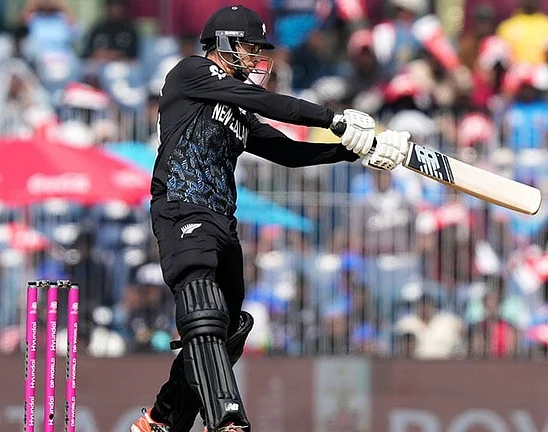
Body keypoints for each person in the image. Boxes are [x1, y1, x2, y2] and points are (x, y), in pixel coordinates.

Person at [132, 5, 410, 432]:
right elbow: (266, 100)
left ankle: (163, 418)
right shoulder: (190, 73)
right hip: (180, 207)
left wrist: (357, 150)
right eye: (248, 46)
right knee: (203, 312)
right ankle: (228, 420)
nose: (256, 57)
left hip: (222, 220)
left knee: (229, 328)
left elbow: (288, 153)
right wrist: (334, 119)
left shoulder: (238, 110)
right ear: (222, 44)